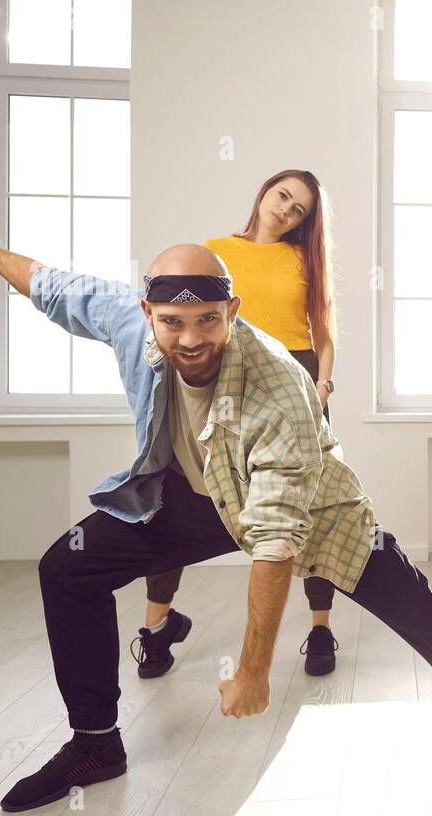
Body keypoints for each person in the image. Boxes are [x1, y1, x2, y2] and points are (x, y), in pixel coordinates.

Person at [0, 230, 432, 813]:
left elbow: (275, 539)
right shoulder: (131, 319)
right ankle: (95, 743)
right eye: (173, 322)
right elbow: (49, 285)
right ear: (147, 314)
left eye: (208, 320)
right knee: (67, 567)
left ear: (232, 312)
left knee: (417, 607)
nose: (190, 338)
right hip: (198, 494)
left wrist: (255, 669)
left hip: (315, 511)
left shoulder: (278, 386)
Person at [139, 169, 344, 681]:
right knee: (176, 494)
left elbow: (324, 334)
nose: (285, 211)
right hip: (220, 376)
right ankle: (157, 627)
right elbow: (176, 323)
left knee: (312, 506)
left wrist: (322, 387)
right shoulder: (213, 252)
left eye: (298, 210)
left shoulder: (305, 260)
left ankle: (320, 628)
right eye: (282, 197)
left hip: (293, 379)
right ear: (264, 192)